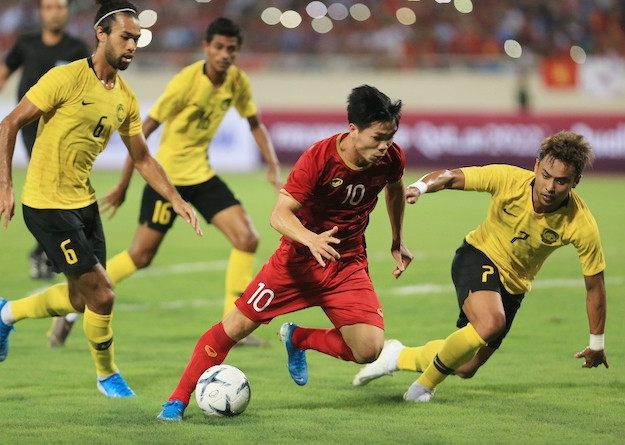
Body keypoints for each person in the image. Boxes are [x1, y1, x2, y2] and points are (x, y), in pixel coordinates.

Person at [155, 84, 414, 421]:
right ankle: (177, 400)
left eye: (390, 137)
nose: (384, 146)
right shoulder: (319, 159)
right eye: (378, 138)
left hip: (345, 264)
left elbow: (395, 190)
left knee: (369, 349)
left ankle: (298, 337)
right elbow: (279, 214)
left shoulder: (391, 158)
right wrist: (311, 239)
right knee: (235, 327)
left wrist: (397, 239)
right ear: (353, 129)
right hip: (296, 264)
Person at [0, 0, 202, 398]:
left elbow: (142, 157)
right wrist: (5, 185)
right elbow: (10, 123)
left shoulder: (125, 97)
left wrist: (176, 199)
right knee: (103, 293)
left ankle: (7, 313)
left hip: (83, 204)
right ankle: (107, 375)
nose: (132, 46)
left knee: (82, 299)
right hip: (46, 204)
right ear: (101, 34)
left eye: (137, 39)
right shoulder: (65, 78)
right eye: (125, 37)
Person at [49, 17, 282, 348]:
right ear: (206, 47)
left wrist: (272, 166)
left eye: (231, 49)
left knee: (247, 239)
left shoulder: (237, 81)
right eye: (218, 47)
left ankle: (233, 327)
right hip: (168, 180)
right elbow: (141, 132)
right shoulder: (186, 82)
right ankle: (75, 303)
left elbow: (255, 124)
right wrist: (124, 184)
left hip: (202, 176)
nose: (224, 54)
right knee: (141, 255)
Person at [352, 130, 609, 402]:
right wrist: (421, 187)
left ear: (575, 181)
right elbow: (451, 176)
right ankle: (422, 388)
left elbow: (595, 287)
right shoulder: (509, 180)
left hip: (514, 286)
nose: (549, 187)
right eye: (546, 175)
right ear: (536, 166)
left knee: (466, 367)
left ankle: (397, 356)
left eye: (561, 181)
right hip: (478, 256)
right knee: (491, 322)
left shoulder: (581, 224)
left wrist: (597, 343)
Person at [0, 0, 90, 280]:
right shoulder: (26, 44)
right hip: (32, 127)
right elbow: (3, 73)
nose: (54, 12)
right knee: (51, 187)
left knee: (62, 191)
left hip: (65, 129)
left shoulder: (77, 48)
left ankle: (46, 251)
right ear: (41, 12)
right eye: (49, 7)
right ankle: (47, 252)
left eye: (60, 7)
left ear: (68, 11)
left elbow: (89, 85)